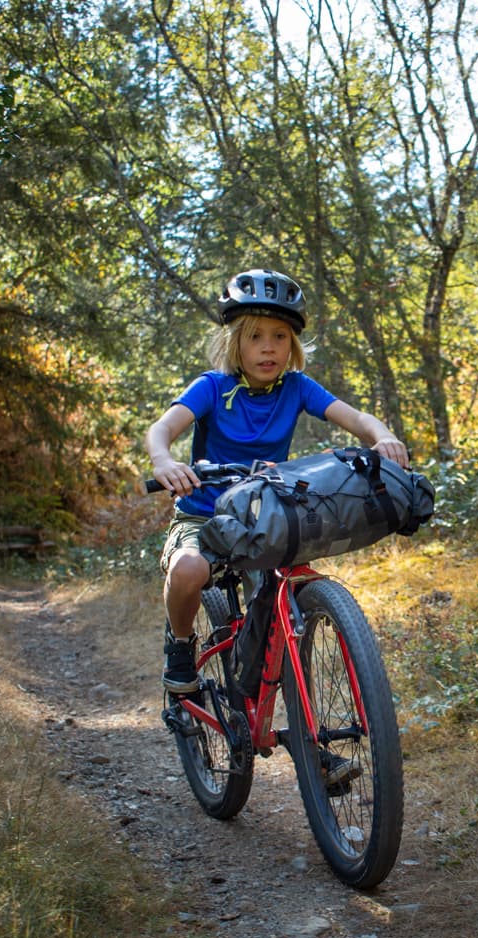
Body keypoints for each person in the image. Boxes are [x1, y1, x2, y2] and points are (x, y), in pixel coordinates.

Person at [147, 268, 409, 693]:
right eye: (255, 337)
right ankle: (180, 644)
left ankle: (302, 732)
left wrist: (382, 436)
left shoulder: (297, 387)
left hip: (263, 514)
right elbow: (161, 429)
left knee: (280, 608)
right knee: (190, 569)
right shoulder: (213, 387)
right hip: (204, 513)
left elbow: (356, 418)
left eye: (280, 336)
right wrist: (164, 461)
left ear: (293, 344)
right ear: (235, 342)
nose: (268, 348)